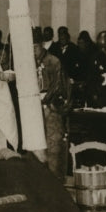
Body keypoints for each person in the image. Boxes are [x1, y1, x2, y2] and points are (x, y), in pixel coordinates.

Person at [33, 27, 71, 178]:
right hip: (33, 109)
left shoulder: (53, 61)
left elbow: (59, 86)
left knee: (53, 147)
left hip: (50, 109)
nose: (33, 51)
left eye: (35, 47)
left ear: (41, 45)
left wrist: (48, 103)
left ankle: (56, 182)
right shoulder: (28, 62)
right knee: (35, 147)